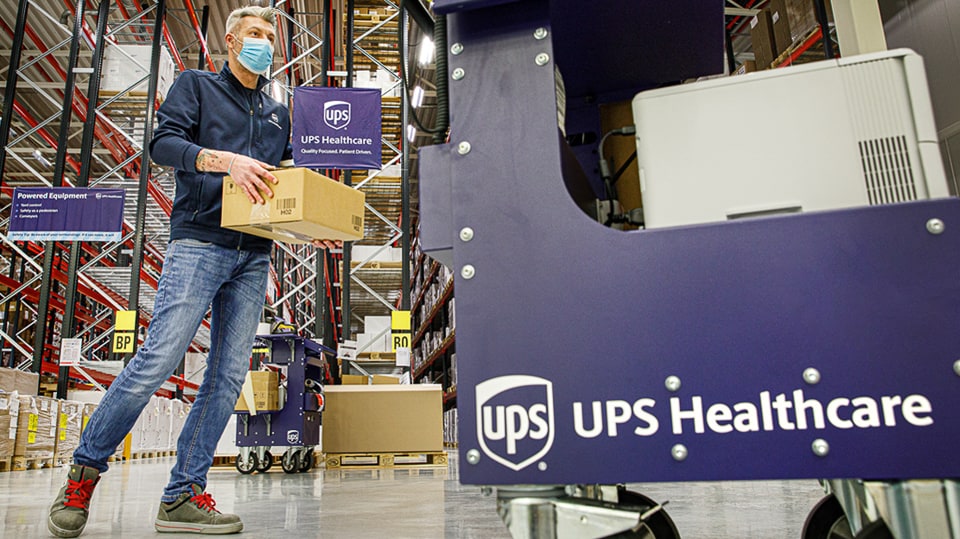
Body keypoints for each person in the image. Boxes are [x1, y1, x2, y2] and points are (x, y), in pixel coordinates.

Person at [48, 6, 336, 537]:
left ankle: (182, 495)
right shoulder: (196, 87)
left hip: (254, 253)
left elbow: (287, 181)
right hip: (200, 242)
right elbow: (162, 146)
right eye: (255, 35)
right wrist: (223, 160)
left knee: (226, 379)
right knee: (158, 359)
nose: (264, 45)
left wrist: (309, 222)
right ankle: (82, 475)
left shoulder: (277, 114)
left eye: (270, 38)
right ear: (230, 41)